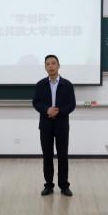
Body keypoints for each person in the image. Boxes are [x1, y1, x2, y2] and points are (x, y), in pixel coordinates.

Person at [32, 55, 76, 196]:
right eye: (48, 64)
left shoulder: (67, 85)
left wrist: (58, 111)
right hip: (45, 125)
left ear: (58, 66)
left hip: (61, 125)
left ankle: (64, 185)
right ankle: (49, 185)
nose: (50, 66)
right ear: (45, 67)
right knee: (47, 156)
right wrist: (47, 110)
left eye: (53, 63)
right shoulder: (40, 84)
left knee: (63, 155)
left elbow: (72, 104)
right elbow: (36, 102)